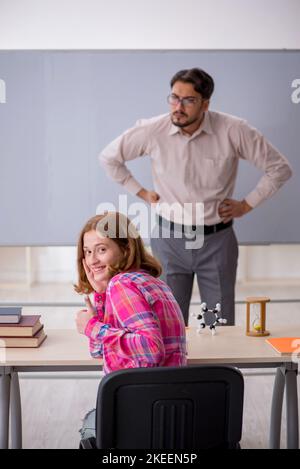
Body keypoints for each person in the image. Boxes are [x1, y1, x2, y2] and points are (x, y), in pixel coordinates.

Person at [99, 67, 293, 326]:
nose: (178, 107)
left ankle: (217, 367)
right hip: (168, 241)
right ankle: (172, 368)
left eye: (188, 100)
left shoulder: (233, 130)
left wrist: (247, 204)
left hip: (217, 240)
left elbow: (279, 168)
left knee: (218, 323)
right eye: (174, 97)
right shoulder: (152, 130)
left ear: (205, 104)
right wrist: (141, 191)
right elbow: (109, 158)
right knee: (167, 322)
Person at [74, 211, 187, 440]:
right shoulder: (152, 282)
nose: (92, 260)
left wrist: (91, 327)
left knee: (89, 423)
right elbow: (99, 351)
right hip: (170, 410)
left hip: (140, 410)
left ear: (126, 249)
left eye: (101, 249)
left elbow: (151, 348)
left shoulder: (122, 285)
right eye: (87, 252)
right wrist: (100, 297)